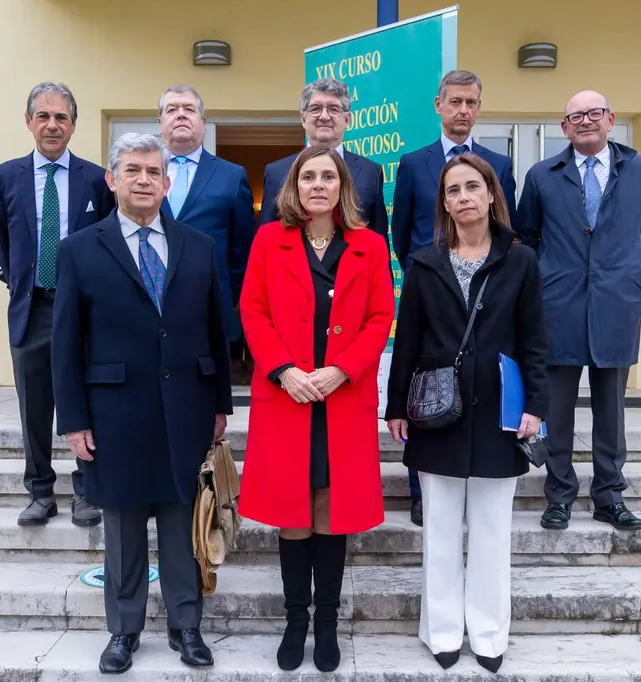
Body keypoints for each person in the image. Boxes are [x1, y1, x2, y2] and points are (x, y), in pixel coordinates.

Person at [51, 132, 233, 675]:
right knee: (125, 528)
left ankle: (186, 627)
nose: (144, 180)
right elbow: (65, 341)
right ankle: (124, 633)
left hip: (186, 408)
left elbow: (214, 330)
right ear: (112, 179)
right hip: (114, 414)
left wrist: (220, 402)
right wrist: (74, 418)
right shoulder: (80, 248)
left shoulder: (198, 246)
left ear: (167, 181)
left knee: (181, 527)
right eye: (132, 170)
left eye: (153, 172)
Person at [385, 153, 549, 673]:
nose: (463, 197)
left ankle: (489, 632)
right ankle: (441, 631)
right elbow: (406, 338)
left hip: (501, 411)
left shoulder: (519, 261)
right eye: (453, 190)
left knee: (492, 531)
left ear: (491, 194)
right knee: (438, 530)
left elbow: (535, 340)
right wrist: (396, 407)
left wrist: (537, 407)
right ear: (444, 203)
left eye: (472, 187)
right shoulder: (424, 262)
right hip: (438, 412)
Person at [238, 145, 394, 673]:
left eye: (329, 176)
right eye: (309, 177)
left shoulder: (369, 246)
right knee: (292, 513)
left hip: (341, 398)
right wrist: (284, 369)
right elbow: (253, 312)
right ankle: (295, 621)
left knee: (331, 512)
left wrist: (342, 369)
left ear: (343, 186)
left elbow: (380, 318)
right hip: (288, 396)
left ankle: (326, 622)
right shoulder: (268, 240)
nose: (319, 185)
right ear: (295, 186)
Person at [515, 90, 641, 533]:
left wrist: (629, 274)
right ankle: (559, 494)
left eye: (594, 113)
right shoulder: (543, 175)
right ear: (564, 127)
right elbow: (527, 234)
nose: (585, 121)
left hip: (616, 304)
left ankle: (609, 496)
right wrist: (549, 276)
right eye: (575, 116)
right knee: (556, 408)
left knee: (611, 407)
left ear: (610, 119)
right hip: (558, 303)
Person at [391, 69, 518, 527]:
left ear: (479, 108)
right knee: (426, 391)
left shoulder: (498, 165)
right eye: (455, 102)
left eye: (471, 103)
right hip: (432, 293)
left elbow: (506, 226)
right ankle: (420, 491)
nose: (463, 110)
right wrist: (426, 278)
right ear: (438, 105)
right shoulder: (413, 163)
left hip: (485, 299)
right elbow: (401, 229)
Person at [0, 81, 115, 528]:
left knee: (86, 403)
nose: (52, 125)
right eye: (43, 116)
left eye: (61, 117)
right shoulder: (3, 177)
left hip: (83, 311)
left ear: (74, 125)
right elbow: (3, 243)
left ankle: (87, 492)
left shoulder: (98, 179)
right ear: (29, 122)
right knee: (34, 408)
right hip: (32, 307)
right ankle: (40, 493)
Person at [157, 84, 255, 346]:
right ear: (160, 122)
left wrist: (225, 296)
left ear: (202, 121)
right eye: (172, 109)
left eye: (189, 109)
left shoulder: (231, 176)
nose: (180, 115)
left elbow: (242, 251)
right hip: (149, 307)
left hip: (210, 310)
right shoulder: (141, 173)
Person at [257, 78, 389, 240]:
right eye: (315, 108)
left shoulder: (371, 172)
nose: (324, 116)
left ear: (347, 120)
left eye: (334, 109)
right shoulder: (276, 172)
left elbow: (378, 237)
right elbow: (265, 239)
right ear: (303, 118)